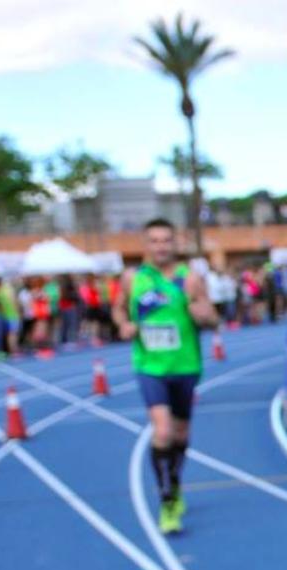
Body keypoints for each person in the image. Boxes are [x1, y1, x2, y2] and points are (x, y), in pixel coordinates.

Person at [113, 219, 217, 534]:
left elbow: (213, 318)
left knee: (181, 435)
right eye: (154, 241)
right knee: (162, 431)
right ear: (145, 244)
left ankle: (175, 480)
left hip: (185, 366)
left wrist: (204, 315)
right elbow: (118, 309)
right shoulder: (133, 278)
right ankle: (167, 501)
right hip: (149, 366)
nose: (161, 246)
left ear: (176, 243)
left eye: (166, 240)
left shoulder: (190, 278)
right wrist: (123, 325)